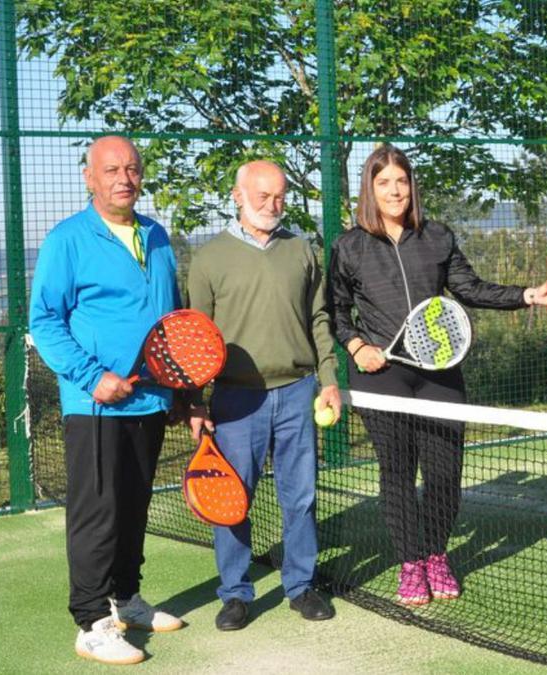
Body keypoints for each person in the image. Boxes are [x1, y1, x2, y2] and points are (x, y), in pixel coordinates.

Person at [329, 145, 547, 606]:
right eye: (383, 182)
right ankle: (411, 563)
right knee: (397, 472)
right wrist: (357, 347)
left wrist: (526, 294)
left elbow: (470, 288)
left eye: (401, 181)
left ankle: (436, 555)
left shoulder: (437, 236)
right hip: (381, 374)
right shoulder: (349, 246)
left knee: (446, 473)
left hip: (439, 370)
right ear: (369, 188)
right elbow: (335, 310)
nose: (394, 191)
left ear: (412, 186)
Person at [30, 136, 184, 665]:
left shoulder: (157, 236)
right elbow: (44, 321)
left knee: (135, 505)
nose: (124, 178)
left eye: (133, 169)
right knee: (97, 513)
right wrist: (93, 377)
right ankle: (92, 622)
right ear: (89, 178)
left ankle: (127, 599)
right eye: (111, 169)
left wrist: (182, 393)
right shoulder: (67, 240)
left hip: (150, 402)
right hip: (94, 405)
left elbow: (172, 322)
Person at [185, 160, 340, 630]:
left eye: (280, 196)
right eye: (262, 196)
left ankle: (301, 585)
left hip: (298, 392)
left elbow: (320, 320)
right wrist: (195, 401)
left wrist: (329, 377)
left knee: (302, 496)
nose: (273, 205)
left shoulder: (303, 250)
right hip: (235, 401)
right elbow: (195, 340)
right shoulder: (208, 259)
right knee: (232, 499)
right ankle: (234, 594)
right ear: (237, 196)